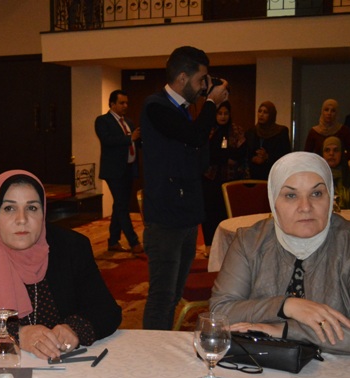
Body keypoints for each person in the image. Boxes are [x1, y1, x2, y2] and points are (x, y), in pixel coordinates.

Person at [210, 152, 350, 355]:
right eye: (291, 196)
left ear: (331, 197)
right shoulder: (249, 242)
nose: (306, 207)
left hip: (338, 366)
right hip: (262, 362)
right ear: (273, 201)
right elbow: (220, 312)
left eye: (316, 194)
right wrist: (286, 306)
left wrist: (286, 331)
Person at [0, 170, 121, 360]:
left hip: (63, 364)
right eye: (9, 208)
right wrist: (17, 334)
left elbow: (107, 310)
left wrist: (74, 329)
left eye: (32, 208)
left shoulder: (71, 246)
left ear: (43, 211)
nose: (22, 219)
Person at [140, 45, 229, 330]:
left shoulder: (185, 110)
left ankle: (163, 346)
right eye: (201, 79)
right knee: (162, 296)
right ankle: (153, 352)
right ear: (182, 78)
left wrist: (207, 103)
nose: (203, 86)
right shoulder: (156, 106)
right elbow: (193, 137)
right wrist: (211, 102)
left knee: (175, 294)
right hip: (166, 217)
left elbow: (199, 154)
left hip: (187, 213)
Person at [94, 89, 143, 254]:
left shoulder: (128, 122)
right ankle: (133, 241)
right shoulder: (103, 121)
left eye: (126, 103)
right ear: (112, 104)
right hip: (113, 170)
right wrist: (130, 138)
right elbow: (108, 141)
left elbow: (136, 142)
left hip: (128, 168)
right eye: (122, 103)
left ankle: (113, 241)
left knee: (120, 204)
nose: (125, 106)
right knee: (122, 206)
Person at [202, 101, 247, 246]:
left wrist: (224, 155)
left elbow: (241, 152)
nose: (223, 117)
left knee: (226, 212)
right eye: (219, 113)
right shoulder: (208, 130)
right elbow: (207, 153)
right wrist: (226, 156)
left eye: (226, 113)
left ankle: (228, 245)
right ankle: (210, 245)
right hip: (210, 178)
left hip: (230, 179)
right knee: (210, 212)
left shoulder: (236, 130)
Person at [243, 101, 291, 181]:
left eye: (265, 112)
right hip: (254, 176)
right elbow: (246, 153)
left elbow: (286, 156)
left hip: (273, 175)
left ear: (271, 115)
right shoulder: (251, 132)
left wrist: (267, 157)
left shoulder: (281, 132)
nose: (261, 114)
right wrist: (253, 158)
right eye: (260, 111)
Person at [323, 136, 350, 210]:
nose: (331, 153)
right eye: (327, 150)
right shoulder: (316, 174)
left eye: (336, 150)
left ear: (342, 153)